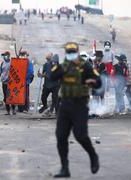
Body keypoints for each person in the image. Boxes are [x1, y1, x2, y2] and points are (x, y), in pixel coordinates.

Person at [50, 42, 100, 178]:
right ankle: (64, 168)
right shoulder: (63, 66)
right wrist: (59, 67)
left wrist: (92, 81)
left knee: (80, 136)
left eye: (73, 52)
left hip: (80, 105)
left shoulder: (86, 66)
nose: (71, 55)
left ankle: (93, 155)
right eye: (69, 52)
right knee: (61, 136)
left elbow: (98, 80)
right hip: (65, 105)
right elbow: (52, 76)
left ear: (77, 52)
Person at [0, 51, 16, 115]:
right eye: (3, 55)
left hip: (11, 82)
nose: (4, 56)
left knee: (12, 96)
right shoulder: (2, 64)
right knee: (6, 97)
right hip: (4, 82)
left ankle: (13, 109)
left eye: (5, 55)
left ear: (9, 55)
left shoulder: (12, 62)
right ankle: (8, 111)